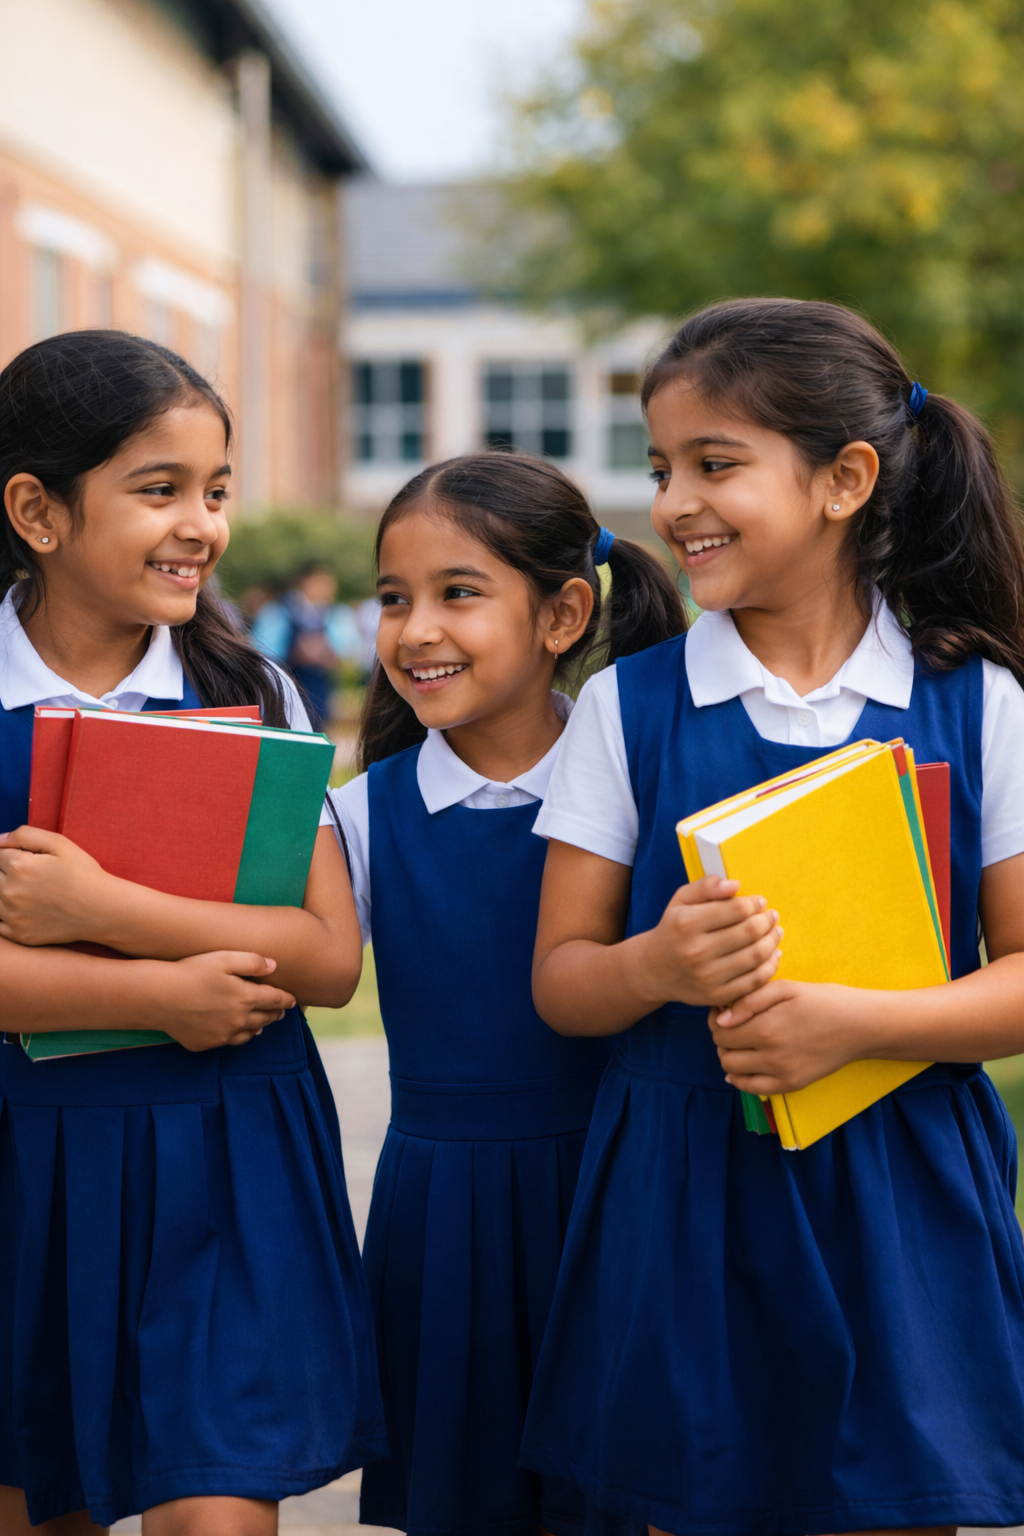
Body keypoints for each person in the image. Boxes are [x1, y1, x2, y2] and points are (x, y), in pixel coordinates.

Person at [519, 298, 1024, 1536]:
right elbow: (562, 979)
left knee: (894, 1505)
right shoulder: (627, 709)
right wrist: (658, 961)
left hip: (901, 1190)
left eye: (714, 463)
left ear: (845, 478)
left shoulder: (976, 698)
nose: (673, 501)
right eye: (660, 467)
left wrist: (853, 1025)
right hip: (682, 1192)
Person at [0, 331, 386, 1536]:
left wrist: (104, 918)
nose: (202, 525)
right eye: (158, 490)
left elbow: (325, 960)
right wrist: (162, 995)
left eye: (216, 491)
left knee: (213, 1513)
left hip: (220, 1159)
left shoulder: (249, 690)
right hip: (24, 1161)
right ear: (37, 509)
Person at [329, 453, 685, 1536]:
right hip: (446, 1231)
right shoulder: (357, 817)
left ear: (564, 613)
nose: (414, 629)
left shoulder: (655, 780)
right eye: (393, 598)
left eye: (458, 592)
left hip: (629, 1198)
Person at [252, 566, 361, 730]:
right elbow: (261, 651)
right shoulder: (277, 611)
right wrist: (295, 653)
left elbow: (350, 654)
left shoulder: (335, 614)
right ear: (304, 584)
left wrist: (327, 654)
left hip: (320, 688)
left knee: (317, 730)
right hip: (286, 686)